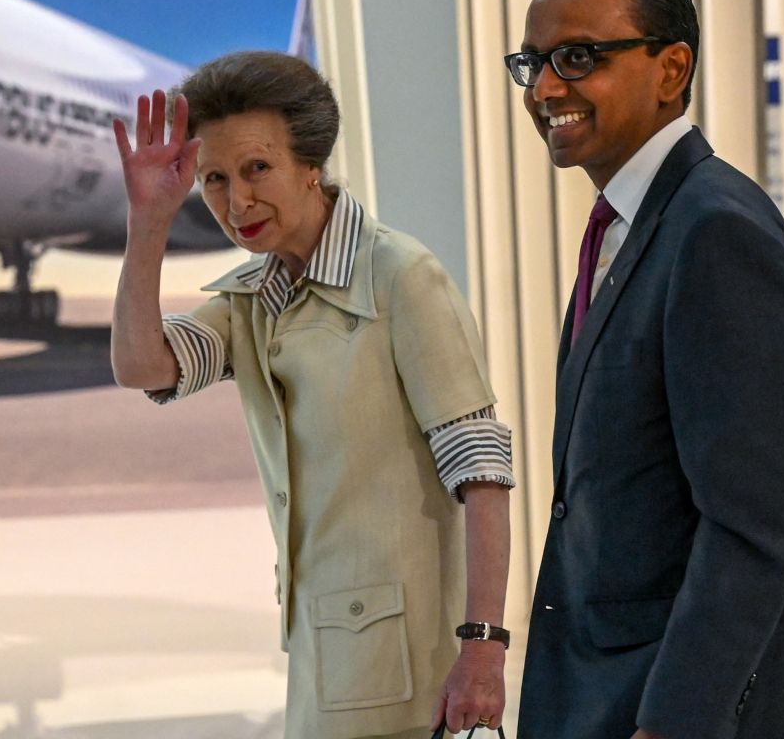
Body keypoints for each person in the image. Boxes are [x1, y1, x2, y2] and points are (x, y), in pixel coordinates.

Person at [506, 0, 784, 739]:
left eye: (578, 58)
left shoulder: (716, 230)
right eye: (533, 63)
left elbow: (752, 521)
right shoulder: (630, 225)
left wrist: (675, 721)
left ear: (671, 69)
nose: (546, 89)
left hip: (701, 705)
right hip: (617, 683)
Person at [109, 51, 514, 739]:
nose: (237, 202)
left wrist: (483, 647)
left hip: (413, 671)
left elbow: (482, 474)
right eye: (214, 179)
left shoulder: (401, 276)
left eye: (256, 169)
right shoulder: (252, 300)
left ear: (311, 165)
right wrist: (148, 223)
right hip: (322, 657)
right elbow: (143, 367)